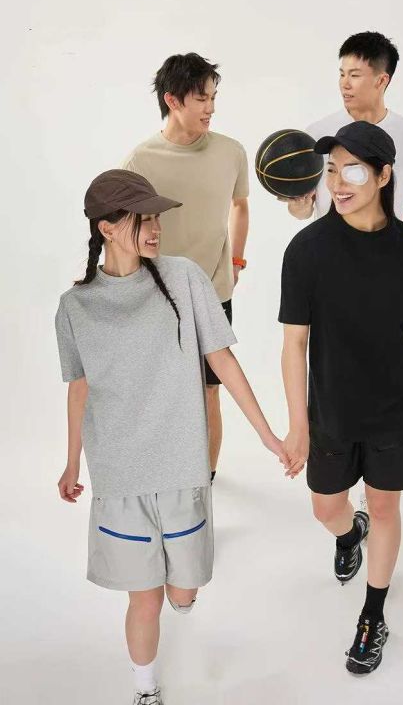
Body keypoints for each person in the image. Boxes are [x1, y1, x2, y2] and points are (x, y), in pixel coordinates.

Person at [55, 170, 292, 705]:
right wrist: (72, 462)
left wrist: (268, 436)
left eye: (157, 217)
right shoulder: (75, 307)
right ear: (107, 228)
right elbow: (79, 387)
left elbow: (221, 360)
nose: (156, 228)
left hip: (183, 466)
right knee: (144, 599)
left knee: (182, 592)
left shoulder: (184, 278)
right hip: (121, 476)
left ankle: (182, 602)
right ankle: (145, 690)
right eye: (143, 219)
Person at [278, 121, 403, 674]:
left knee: (385, 506)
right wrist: (298, 424)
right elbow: (294, 344)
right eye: (330, 170)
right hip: (331, 408)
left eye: (352, 171)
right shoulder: (307, 251)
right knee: (326, 507)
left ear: (383, 175)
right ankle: (350, 533)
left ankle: (373, 615)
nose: (337, 183)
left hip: (395, 406)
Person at [122, 52, 249, 483]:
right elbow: (124, 229)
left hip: (214, 292)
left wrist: (236, 260)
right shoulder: (140, 161)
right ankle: (163, 470)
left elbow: (240, 206)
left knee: (210, 389)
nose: (210, 108)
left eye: (213, 97)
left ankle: (203, 479)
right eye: (201, 99)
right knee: (164, 391)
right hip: (158, 295)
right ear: (173, 100)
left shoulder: (231, 151)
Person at [285, 31, 403, 232]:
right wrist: (298, 206)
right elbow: (303, 211)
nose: (344, 84)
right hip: (331, 248)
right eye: (342, 74)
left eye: (354, 75)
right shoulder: (317, 134)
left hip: (389, 249)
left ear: (381, 81)